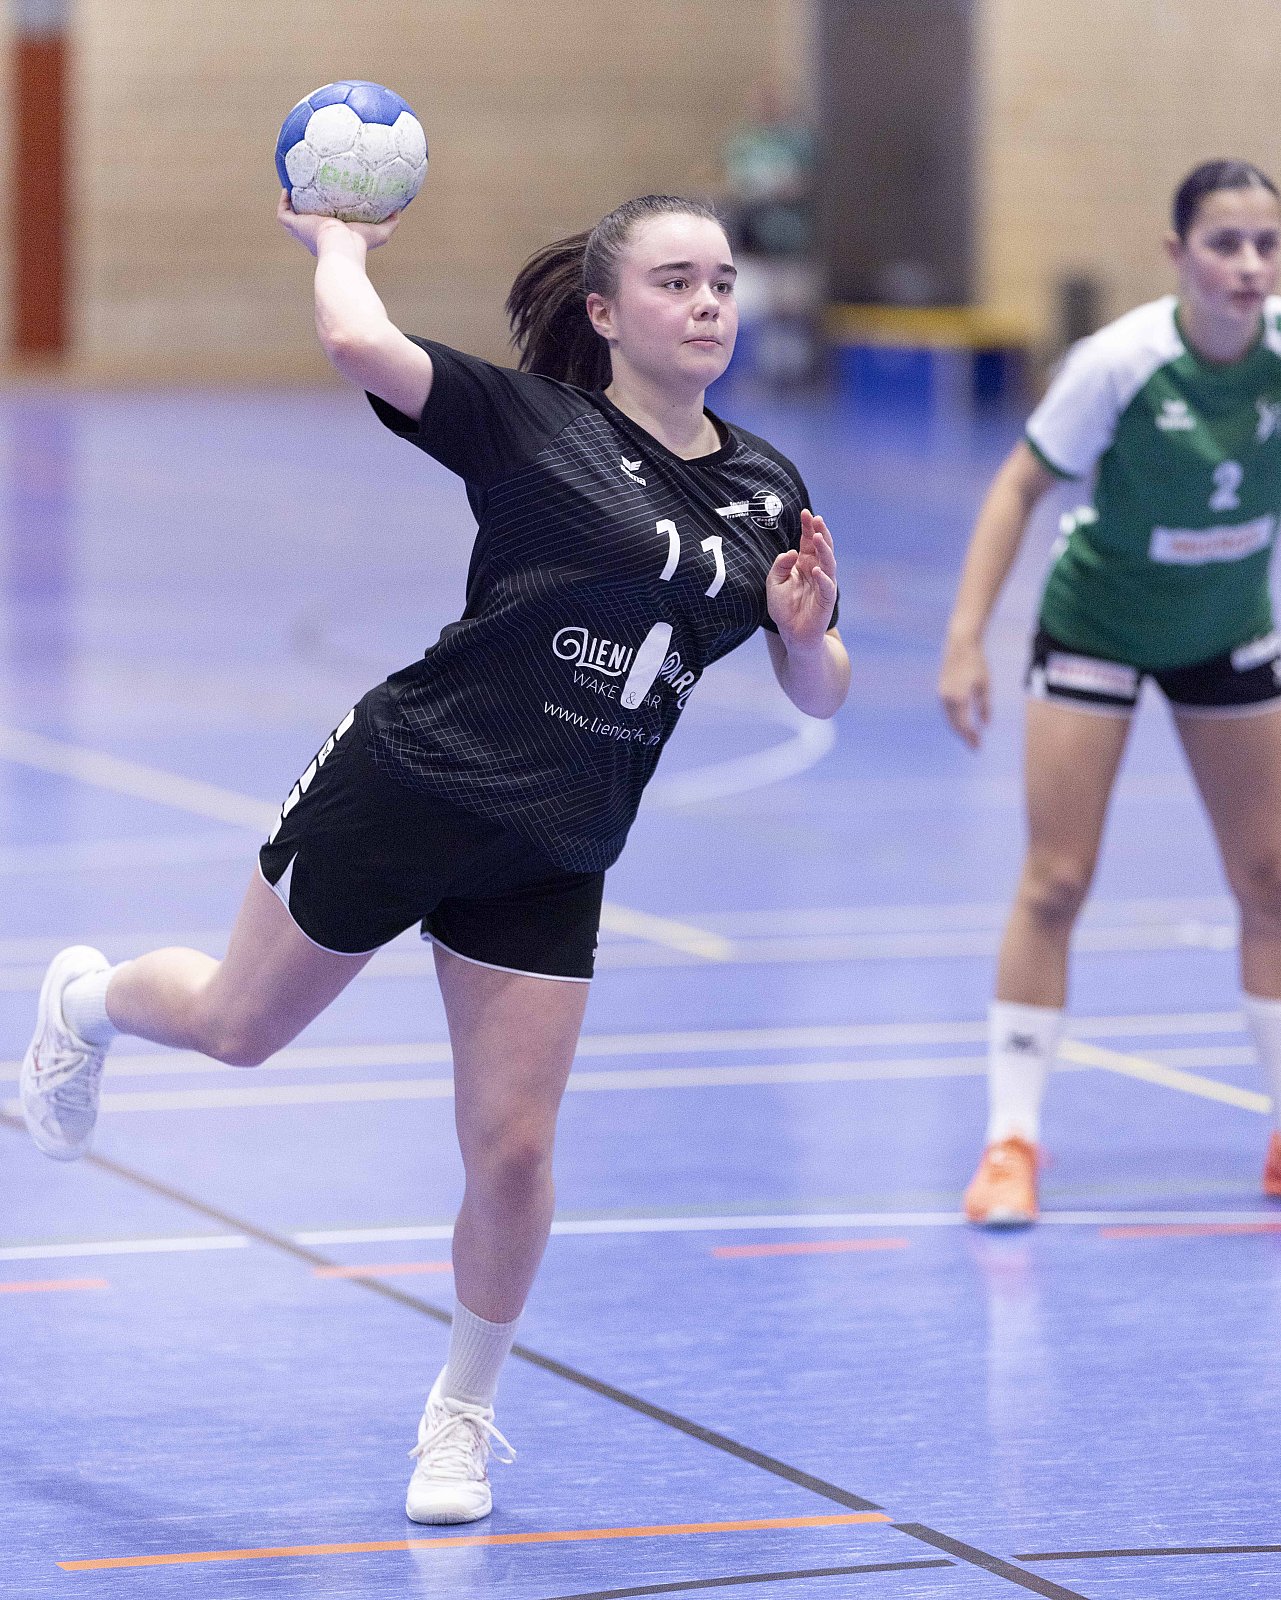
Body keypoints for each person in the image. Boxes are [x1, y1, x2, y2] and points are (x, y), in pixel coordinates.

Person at [19, 189, 849, 1518]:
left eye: (721, 282)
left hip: (557, 842)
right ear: (603, 311)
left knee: (512, 1152)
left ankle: (461, 1415)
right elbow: (360, 345)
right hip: (408, 786)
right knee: (236, 1028)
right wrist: (340, 243)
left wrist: (805, 637)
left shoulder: (766, 489)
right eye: (674, 282)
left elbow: (821, 690)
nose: (706, 304)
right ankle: (85, 1002)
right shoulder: (536, 427)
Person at [939, 158, 1281, 1227]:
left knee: (1271, 875)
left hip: (1227, 629)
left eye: (1267, 244)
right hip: (1097, 629)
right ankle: (1010, 1140)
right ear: (1177, 253)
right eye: (1224, 243)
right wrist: (965, 638)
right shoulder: (1120, 363)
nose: (1249, 264)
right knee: (1056, 879)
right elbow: (1019, 484)